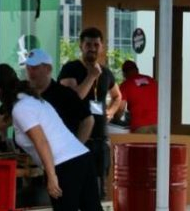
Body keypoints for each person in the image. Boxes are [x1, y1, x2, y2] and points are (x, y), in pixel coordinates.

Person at [0, 63, 135, 211]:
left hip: (64, 165)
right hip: (80, 159)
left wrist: (51, 176)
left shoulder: (22, 108)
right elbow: (5, 123)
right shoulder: (31, 101)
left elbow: (42, 143)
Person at [58, 27, 122, 197]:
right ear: (81, 46)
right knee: (76, 185)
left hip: (100, 139)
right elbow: (73, 98)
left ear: (102, 47)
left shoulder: (106, 72)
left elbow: (117, 96)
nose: (92, 48)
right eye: (88, 44)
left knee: (100, 188)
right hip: (77, 138)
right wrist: (91, 76)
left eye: (96, 45)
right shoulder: (70, 68)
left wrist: (110, 112)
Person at [24, 48, 94, 143]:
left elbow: (88, 120)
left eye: (34, 68)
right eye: (27, 68)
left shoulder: (64, 95)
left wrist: (77, 147)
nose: (30, 73)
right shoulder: (25, 94)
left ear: (48, 69)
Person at [119, 60, 159, 133]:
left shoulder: (125, 85)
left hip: (140, 126)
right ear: (137, 70)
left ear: (124, 74)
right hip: (159, 124)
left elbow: (121, 108)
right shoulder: (152, 80)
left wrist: (115, 118)